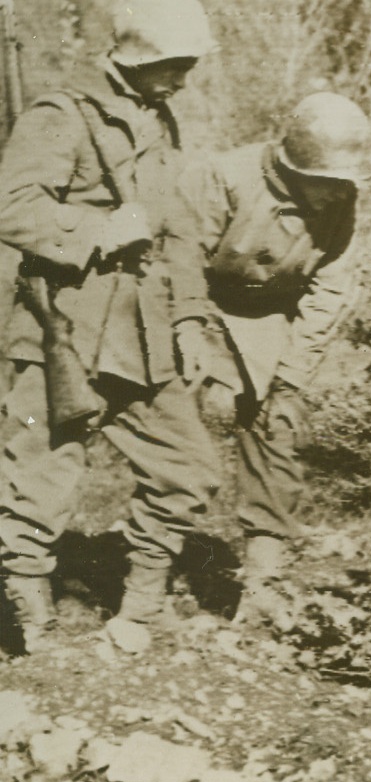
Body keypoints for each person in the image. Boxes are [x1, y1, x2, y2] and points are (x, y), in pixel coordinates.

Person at [0, 0, 219, 653]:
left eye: (188, 65)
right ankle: (28, 612)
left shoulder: (160, 119)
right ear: (137, 58)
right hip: (64, 323)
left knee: (189, 469)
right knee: (43, 478)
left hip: (144, 333)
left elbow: (178, 232)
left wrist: (189, 321)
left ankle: (142, 606)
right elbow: (12, 207)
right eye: (173, 65)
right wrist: (98, 231)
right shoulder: (61, 115)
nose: (182, 77)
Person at [170, 92, 371, 625]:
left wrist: (289, 383)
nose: (334, 196)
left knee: (278, 428)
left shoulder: (341, 199)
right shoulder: (221, 176)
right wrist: (200, 341)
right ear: (292, 165)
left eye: (342, 184)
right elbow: (180, 258)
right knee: (175, 431)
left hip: (266, 315)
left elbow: (330, 291)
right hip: (191, 303)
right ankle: (148, 567)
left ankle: (263, 580)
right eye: (325, 182)